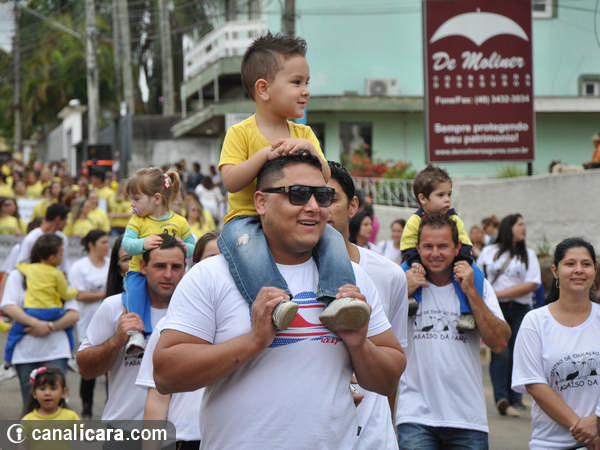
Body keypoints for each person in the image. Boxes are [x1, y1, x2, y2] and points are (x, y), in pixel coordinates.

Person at [153, 153, 405, 449]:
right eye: (297, 194)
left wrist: (360, 345)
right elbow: (166, 374)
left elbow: (388, 380)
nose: (313, 207)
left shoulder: (351, 278)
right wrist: (254, 341)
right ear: (261, 202)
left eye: (322, 196)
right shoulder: (211, 275)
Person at [217, 32, 365, 332]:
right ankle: (276, 304)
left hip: (294, 218)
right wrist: (263, 155)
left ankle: (339, 298)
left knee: (333, 238)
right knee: (248, 249)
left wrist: (311, 150)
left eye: (307, 83)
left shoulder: (304, 134)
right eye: (297, 82)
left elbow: (325, 178)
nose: (306, 91)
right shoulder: (240, 132)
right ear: (263, 89)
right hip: (246, 220)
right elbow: (231, 180)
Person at [396, 213, 510, 450]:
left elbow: (499, 342)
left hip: (467, 419)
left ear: (458, 247)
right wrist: (400, 293)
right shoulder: (400, 283)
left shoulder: (477, 284)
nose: (435, 253)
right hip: (415, 417)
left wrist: (471, 293)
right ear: (417, 247)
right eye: (428, 246)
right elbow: (374, 333)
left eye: (443, 246)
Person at [326, 160, 408, 449]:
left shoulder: (389, 275)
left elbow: (393, 363)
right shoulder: (283, 274)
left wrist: (388, 428)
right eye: (309, 196)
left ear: (353, 206)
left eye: (330, 198)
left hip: (372, 436)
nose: (320, 207)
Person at [76, 235, 186, 421]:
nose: (168, 274)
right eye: (160, 266)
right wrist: (116, 341)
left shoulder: (196, 309)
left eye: (176, 267)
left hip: (182, 431)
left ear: (185, 268)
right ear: (143, 266)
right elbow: (85, 370)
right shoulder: (115, 306)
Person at [513, 237, 600, 450]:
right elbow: (534, 384)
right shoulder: (535, 322)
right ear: (555, 271)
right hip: (550, 444)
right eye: (570, 263)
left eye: (586, 264)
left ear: (595, 271)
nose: (578, 270)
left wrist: (597, 420)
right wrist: (583, 429)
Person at [136, 236, 219, 450]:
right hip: (186, 439)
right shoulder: (170, 326)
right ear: (196, 267)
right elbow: (157, 397)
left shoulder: (254, 325)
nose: (220, 267)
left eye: (228, 260)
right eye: (212, 259)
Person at [400, 164, 484, 332]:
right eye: (441, 195)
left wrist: (461, 261)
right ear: (423, 198)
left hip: (453, 261)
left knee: (475, 273)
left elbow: (464, 242)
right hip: (420, 260)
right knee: (402, 272)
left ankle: (468, 312)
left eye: (449, 194)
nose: (447, 199)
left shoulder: (454, 219)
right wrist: (415, 262)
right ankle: (410, 299)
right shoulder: (415, 220)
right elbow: (407, 244)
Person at [121, 168, 195, 353]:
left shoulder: (179, 221)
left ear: (156, 198)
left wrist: (185, 247)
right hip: (139, 271)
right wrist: (143, 243)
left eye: (136, 199)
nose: (132, 204)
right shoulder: (137, 221)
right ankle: (136, 333)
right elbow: (127, 244)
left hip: (172, 275)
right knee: (134, 293)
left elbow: (194, 246)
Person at [1, 239, 79, 411]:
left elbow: (74, 314)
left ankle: (6, 363)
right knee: (30, 405)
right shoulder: (18, 276)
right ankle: (8, 363)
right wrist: (37, 324)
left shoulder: (58, 275)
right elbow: (9, 306)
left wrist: (49, 326)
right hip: (25, 355)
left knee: (57, 407)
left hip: (57, 351)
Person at [477, 213, 541, 418]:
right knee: (500, 352)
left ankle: (516, 398)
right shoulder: (489, 252)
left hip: (521, 309)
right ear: (509, 227)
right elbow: (478, 277)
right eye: (519, 224)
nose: (524, 228)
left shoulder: (528, 254)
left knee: (518, 354)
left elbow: (532, 283)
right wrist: (490, 298)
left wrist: (498, 293)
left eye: (524, 224)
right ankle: (502, 399)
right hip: (496, 310)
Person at [5, 234, 78, 364]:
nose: (63, 257)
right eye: (61, 254)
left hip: (32, 312)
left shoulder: (27, 269)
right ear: (52, 257)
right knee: (69, 329)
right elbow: (65, 296)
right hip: (54, 312)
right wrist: (74, 292)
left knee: (14, 333)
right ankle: (72, 353)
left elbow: (74, 315)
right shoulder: (58, 275)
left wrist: (39, 324)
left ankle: (7, 362)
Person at [68, 229, 110, 419]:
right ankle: (86, 409)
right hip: (88, 323)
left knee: (111, 369)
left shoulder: (110, 264)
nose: (107, 246)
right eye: (103, 242)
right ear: (91, 245)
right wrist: (105, 294)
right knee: (89, 369)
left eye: (107, 242)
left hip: (110, 324)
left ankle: (111, 408)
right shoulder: (79, 267)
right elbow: (79, 294)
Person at [17, 203, 70, 273]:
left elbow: (63, 266)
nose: (66, 224)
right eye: (65, 220)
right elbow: (22, 264)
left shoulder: (63, 238)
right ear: (58, 219)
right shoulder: (31, 238)